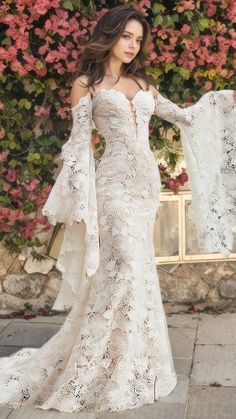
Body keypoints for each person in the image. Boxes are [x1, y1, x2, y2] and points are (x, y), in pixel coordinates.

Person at [0, 4, 235, 416]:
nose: (132, 45)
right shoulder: (85, 86)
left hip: (146, 190)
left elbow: (186, 117)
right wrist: (77, 201)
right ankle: (94, 365)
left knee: (136, 271)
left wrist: (223, 103)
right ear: (110, 35)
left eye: (138, 39)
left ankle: (127, 361)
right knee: (123, 265)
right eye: (126, 36)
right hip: (111, 189)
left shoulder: (143, 83)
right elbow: (77, 149)